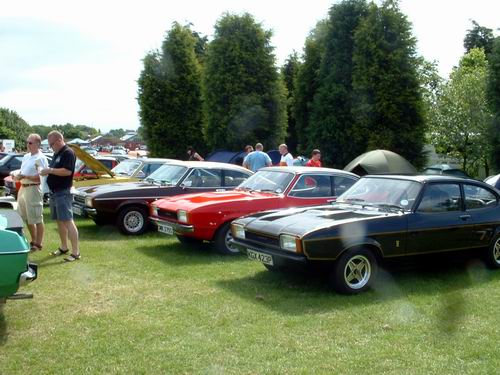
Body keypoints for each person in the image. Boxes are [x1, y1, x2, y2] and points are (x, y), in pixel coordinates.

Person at [40, 131, 80, 262]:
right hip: (54, 192)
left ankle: (76, 253)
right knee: (59, 221)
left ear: (58, 140)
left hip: (63, 192)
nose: (51, 147)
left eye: (51, 144)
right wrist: (47, 171)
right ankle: (64, 247)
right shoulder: (57, 153)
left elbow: (67, 171)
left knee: (68, 221)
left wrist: (50, 170)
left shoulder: (68, 153)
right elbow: (54, 170)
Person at [14, 134, 48, 251]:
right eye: (27, 142)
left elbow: (41, 177)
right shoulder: (26, 156)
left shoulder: (40, 158)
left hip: (33, 188)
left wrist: (25, 176)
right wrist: (17, 175)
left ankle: (38, 243)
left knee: (37, 217)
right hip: (23, 188)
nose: (27, 144)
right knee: (27, 217)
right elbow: (22, 171)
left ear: (38, 144)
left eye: (30, 142)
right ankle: (33, 240)